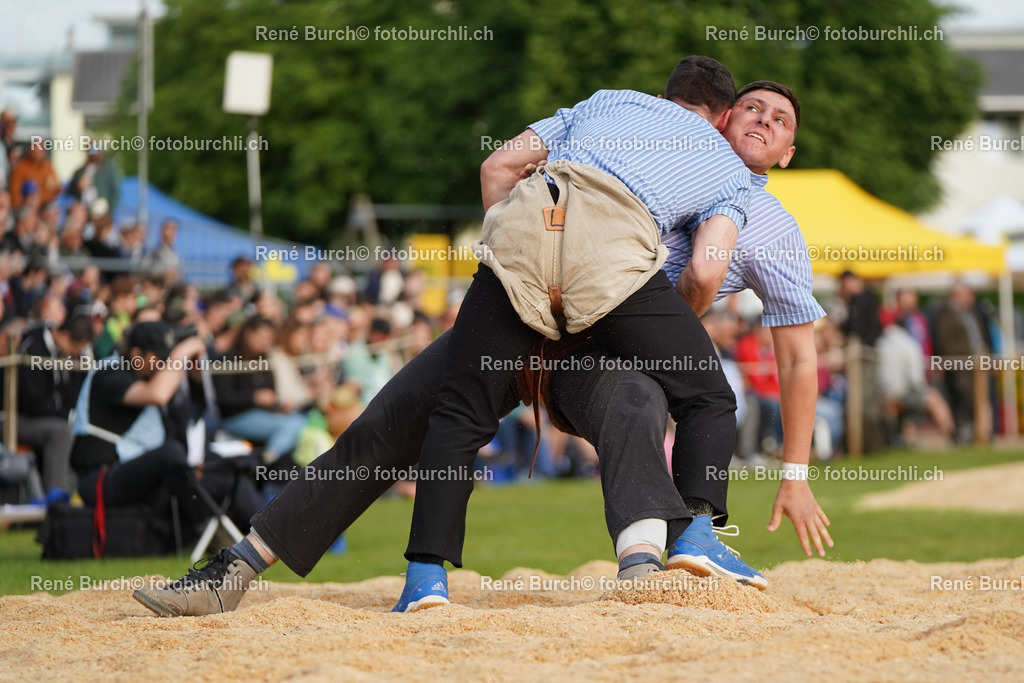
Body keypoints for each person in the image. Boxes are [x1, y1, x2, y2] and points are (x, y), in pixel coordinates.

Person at [132, 76, 831, 617]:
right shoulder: (668, 153)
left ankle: (650, 572)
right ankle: (239, 564)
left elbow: (798, 355)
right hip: (534, 314)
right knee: (391, 421)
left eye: (780, 122)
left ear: (789, 153)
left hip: (601, 346)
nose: (763, 121)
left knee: (637, 399)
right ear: (719, 118)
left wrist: (795, 473)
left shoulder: (765, 222)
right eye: (751, 109)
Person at [16, 313, 94, 503]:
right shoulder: (32, 348)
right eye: (75, 348)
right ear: (65, 335)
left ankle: (84, 493)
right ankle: (56, 499)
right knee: (60, 432)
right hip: (15, 418)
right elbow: (32, 402)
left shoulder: (60, 350)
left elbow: (69, 393)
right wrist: (68, 415)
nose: (76, 354)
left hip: (45, 417)